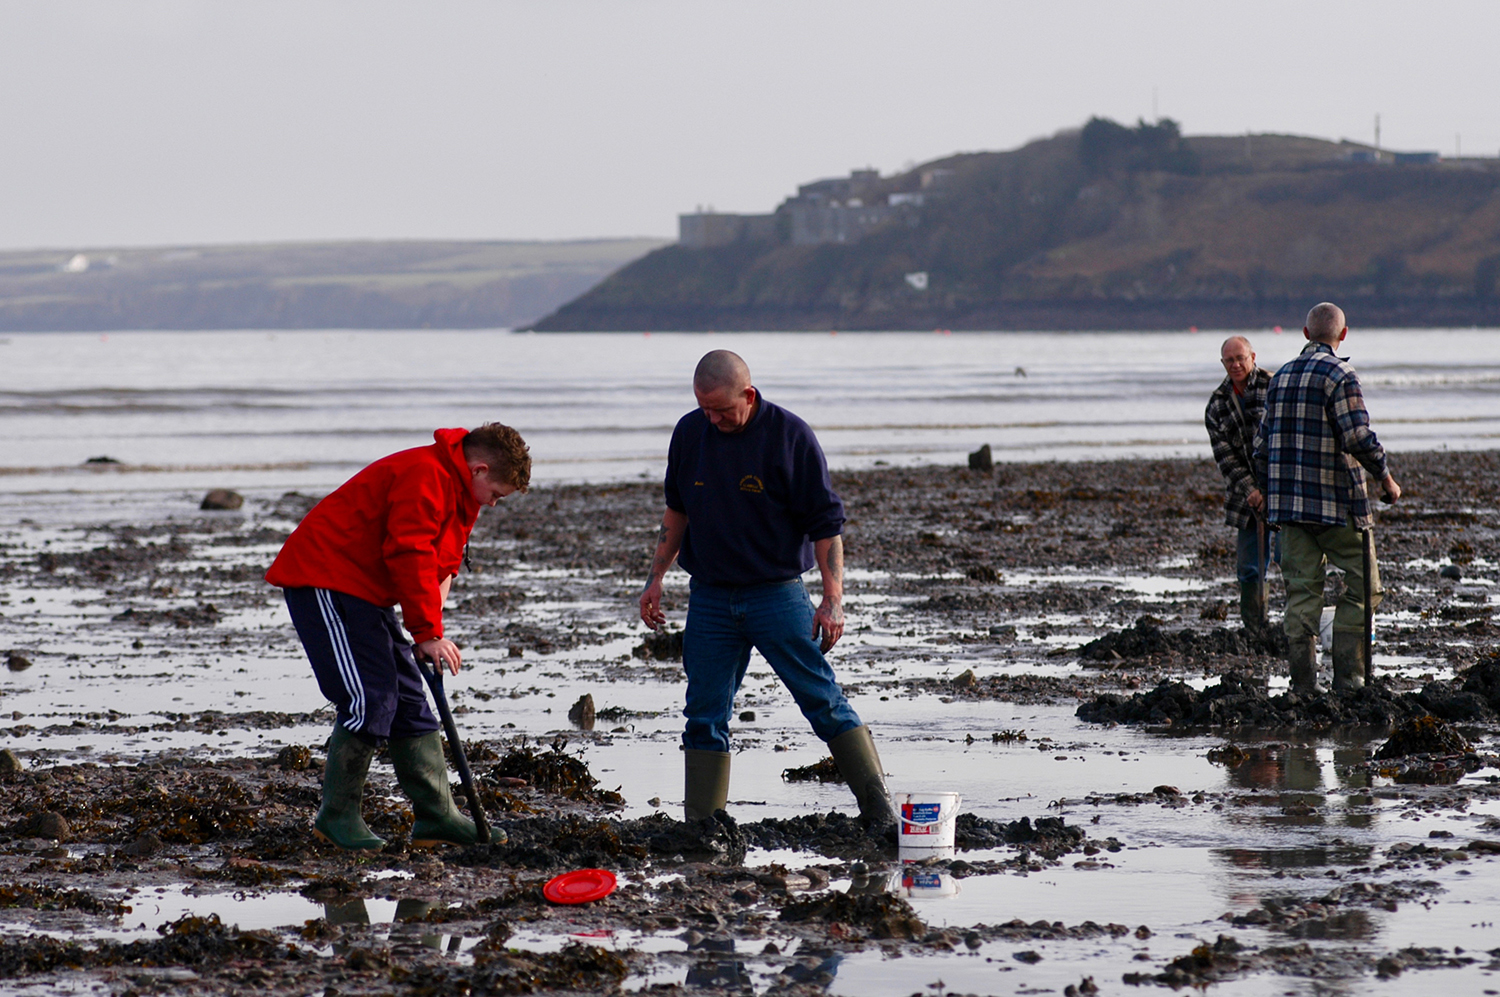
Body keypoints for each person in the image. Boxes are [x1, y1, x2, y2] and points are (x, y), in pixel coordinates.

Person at [638, 350, 896, 830]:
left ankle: (879, 808)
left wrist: (833, 599)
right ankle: (705, 825)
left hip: (776, 595)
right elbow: (677, 512)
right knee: (703, 714)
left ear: (749, 395)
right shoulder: (690, 432)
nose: (711, 419)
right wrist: (656, 578)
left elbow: (826, 527)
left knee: (821, 698)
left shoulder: (789, 436)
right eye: (703, 409)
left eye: (721, 410)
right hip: (711, 598)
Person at [266, 423, 531, 850]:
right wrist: (425, 633)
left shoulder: (463, 493)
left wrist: (432, 629)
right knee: (368, 697)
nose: (495, 503)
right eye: (497, 494)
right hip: (326, 579)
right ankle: (336, 817)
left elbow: (441, 563)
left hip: (367, 592)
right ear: (479, 469)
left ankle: (437, 817)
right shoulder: (425, 476)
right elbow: (408, 552)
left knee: (408, 699)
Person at [1253, 303, 1400, 694]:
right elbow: (1357, 437)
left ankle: (1303, 686)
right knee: (1365, 589)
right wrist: (1385, 477)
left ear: (1304, 333)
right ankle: (1349, 682)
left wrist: (1272, 495)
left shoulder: (1279, 377)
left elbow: (1260, 448)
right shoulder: (1341, 373)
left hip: (1289, 510)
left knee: (1301, 593)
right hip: (1338, 505)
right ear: (1343, 335)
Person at [1205, 336, 1275, 632]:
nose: (1235, 364)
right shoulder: (1216, 404)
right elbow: (1226, 459)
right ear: (1223, 363)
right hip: (1246, 498)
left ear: (1253, 357)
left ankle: (1299, 629)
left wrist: (1270, 489)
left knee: (1292, 561)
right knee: (1249, 568)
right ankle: (1255, 628)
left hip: (1283, 491)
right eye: (1229, 360)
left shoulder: (1275, 387)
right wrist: (1253, 491)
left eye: (1240, 358)